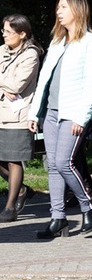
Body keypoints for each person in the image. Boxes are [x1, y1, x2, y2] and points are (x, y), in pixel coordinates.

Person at [28, 0, 92, 239]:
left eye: (63, 7)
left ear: (77, 10)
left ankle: (88, 205)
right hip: (51, 111)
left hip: (73, 113)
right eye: (57, 7)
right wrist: (34, 112)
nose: (58, 11)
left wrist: (82, 118)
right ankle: (58, 218)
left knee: (63, 162)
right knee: (52, 166)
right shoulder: (57, 42)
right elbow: (44, 80)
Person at [0, 15, 42, 222]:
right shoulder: (1, 51)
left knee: (13, 159)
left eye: (8, 31)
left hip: (17, 115)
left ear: (22, 34)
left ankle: (10, 207)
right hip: (1, 112)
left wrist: (4, 83)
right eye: (4, 31)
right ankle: (22, 190)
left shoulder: (31, 55)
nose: (4, 35)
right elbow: (7, 84)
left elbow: (16, 86)